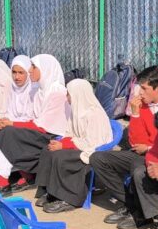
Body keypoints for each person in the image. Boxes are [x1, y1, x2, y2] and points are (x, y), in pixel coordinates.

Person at [89, 66, 158, 229]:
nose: (139, 93)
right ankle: (132, 204)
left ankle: (143, 215)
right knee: (98, 159)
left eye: (144, 88)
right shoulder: (142, 105)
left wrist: (149, 148)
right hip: (142, 154)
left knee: (138, 168)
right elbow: (136, 142)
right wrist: (135, 114)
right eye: (138, 87)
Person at [0, 54, 70, 191]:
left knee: (8, 133)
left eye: (33, 67)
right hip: (38, 132)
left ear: (45, 69)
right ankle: (11, 178)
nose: (29, 70)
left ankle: (3, 180)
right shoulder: (41, 91)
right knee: (6, 132)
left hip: (52, 136)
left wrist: (10, 124)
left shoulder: (57, 92)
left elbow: (43, 126)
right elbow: (31, 120)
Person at [34, 79, 112, 213]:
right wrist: (61, 142)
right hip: (80, 145)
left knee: (61, 156)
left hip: (93, 150)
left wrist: (64, 145)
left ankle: (69, 199)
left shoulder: (94, 114)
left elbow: (94, 142)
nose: (67, 97)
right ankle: (50, 191)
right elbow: (70, 132)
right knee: (48, 151)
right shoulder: (77, 110)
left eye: (69, 94)